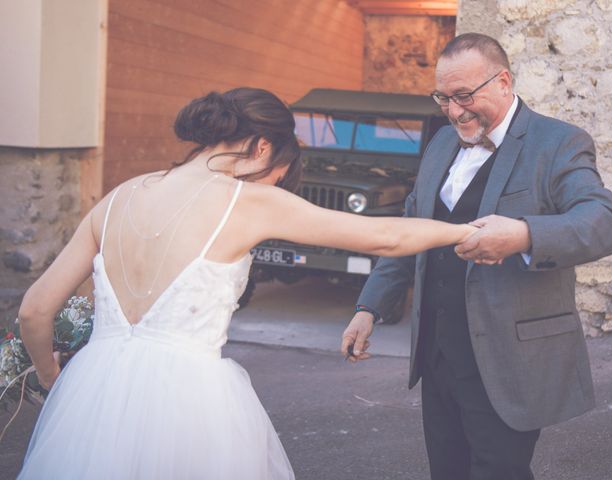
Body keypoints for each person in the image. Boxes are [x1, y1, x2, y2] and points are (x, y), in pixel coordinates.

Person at [16, 87, 476, 479]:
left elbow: (35, 310)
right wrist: (468, 231)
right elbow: (388, 236)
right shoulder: (248, 201)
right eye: (278, 173)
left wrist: (52, 378)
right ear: (260, 148)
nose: (275, 184)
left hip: (93, 390)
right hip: (188, 399)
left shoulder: (118, 197)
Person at [342, 33, 612, 480]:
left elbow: (603, 222)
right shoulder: (439, 144)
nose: (454, 111)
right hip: (438, 356)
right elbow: (412, 231)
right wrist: (369, 307)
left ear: (504, 81)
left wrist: (525, 235)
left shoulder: (559, 143)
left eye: (464, 95)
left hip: (509, 360)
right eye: (443, 98)